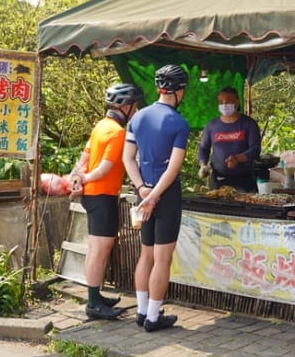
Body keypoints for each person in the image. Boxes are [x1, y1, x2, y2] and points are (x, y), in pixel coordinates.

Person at [122, 64, 190, 332]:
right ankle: (152, 317)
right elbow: (173, 168)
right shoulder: (178, 123)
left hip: (144, 191)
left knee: (145, 255)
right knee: (163, 259)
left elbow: (128, 158)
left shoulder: (136, 118)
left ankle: (140, 311)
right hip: (166, 195)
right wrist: (156, 196)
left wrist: (142, 190)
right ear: (179, 91)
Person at [68, 82, 144, 320]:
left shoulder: (101, 125)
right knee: (100, 251)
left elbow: (85, 156)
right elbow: (104, 168)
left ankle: (96, 295)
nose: (136, 110)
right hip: (102, 195)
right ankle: (93, 303)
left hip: (92, 195)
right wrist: (86, 178)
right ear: (126, 106)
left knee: (96, 249)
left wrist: (77, 177)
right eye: (135, 105)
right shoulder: (118, 132)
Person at [197, 87, 262, 193]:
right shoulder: (212, 125)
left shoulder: (249, 124)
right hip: (218, 181)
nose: (224, 105)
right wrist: (203, 165)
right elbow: (203, 148)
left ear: (237, 102)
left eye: (228, 101)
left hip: (244, 180)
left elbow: (255, 149)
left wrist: (238, 158)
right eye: (221, 102)